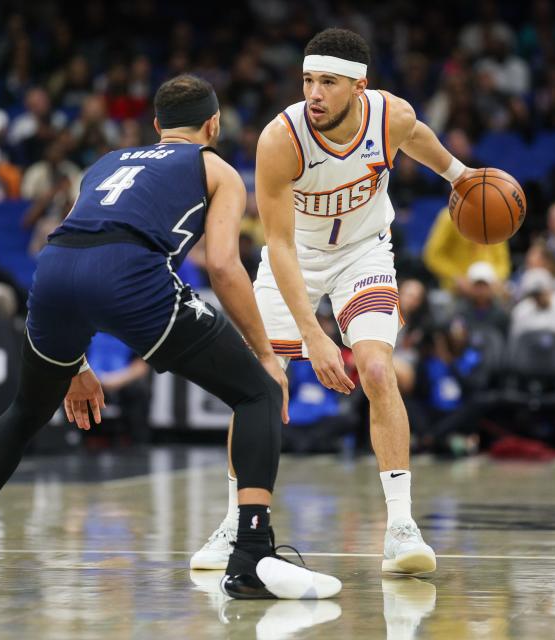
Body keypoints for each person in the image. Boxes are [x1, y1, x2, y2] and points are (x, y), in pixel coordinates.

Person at [0, 75, 340, 601]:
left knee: (25, 412)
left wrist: (74, 363)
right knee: (257, 390)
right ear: (213, 125)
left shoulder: (107, 162)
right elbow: (222, 265)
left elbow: (80, 247)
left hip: (53, 273)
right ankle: (252, 554)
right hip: (128, 276)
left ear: (156, 127)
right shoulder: (215, 167)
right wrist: (265, 352)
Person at [193, 28, 481, 576]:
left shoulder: (388, 115)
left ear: (358, 85)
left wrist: (460, 175)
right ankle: (236, 520)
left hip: (363, 252)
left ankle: (401, 527)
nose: (314, 93)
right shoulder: (282, 138)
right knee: (261, 382)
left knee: (376, 368)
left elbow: (416, 135)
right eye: (307, 80)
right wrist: (316, 335)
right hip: (294, 257)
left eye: (327, 81)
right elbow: (277, 243)